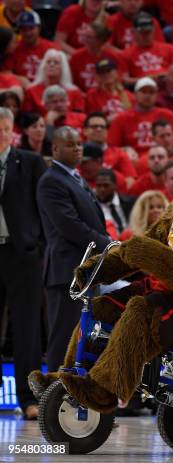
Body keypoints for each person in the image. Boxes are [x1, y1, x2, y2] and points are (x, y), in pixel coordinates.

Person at [36, 126, 110, 373]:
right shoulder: (51, 181)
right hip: (67, 269)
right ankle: (54, 389)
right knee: (65, 335)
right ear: (55, 148)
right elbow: (69, 226)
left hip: (87, 269)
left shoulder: (73, 177)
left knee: (83, 335)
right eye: (70, 144)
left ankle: (77, 390)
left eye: (79, 143)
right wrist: (105, 242)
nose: (78, 148)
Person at [0, 107, 47, 420]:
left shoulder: (29, 162)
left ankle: (29, 398)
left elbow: (44, 208)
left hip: (21, 255)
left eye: (3, 128)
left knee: (26, 328)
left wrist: (37, 246)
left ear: (11, 131)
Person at [107, 77, 173, 156]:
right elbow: (111, 148)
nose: (147, 95)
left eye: (151, 92)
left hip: (162, 159)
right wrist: (125, 150)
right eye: (143, 92)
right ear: (135, 94)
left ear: (156, 95)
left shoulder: (167, 115)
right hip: (133, 161)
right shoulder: (121, 118)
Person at [122, 12, 173, 85]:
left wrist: (166, 76)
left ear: (154, 30)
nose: (146, 36)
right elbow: (124, 80)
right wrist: (145, 79)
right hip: (143, 89)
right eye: (142, 33)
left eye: (149, 32)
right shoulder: (126, 54)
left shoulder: (169, 48)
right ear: (133, 32)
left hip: (168, 86)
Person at [22, 49, 85, 115]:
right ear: (43, 66)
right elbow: (27, 119)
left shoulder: (74, 92)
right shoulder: (31, 91)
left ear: (63, 68)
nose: (51, 65)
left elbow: (79, 118)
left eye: (56, 62)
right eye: (48, 62)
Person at [83, 112, 137, 186]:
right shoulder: (77, 152)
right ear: (85, 131)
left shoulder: (119, 153)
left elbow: (130, 180)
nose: (99, 129)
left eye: (102, 127)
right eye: (94, 126)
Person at [69, 24, 126, 92]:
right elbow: (72, 82)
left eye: (89, 37)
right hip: (83, 96)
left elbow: (119, 81)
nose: (85, 39)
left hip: (107, 94)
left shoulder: (113, 56)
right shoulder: (76, 56)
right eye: (85, 35)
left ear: (100, 40)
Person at [6, 11, 58, 84]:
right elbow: (6, 73)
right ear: (19, 31)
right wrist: (22, 80)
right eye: (23, 29)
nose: (28, 33)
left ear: (39, 28)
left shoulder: (51, 47)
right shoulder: (13, 48)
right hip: (22, 88)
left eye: (31, 28)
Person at [95, 168, 135, 236]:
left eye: (106, 185)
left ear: (115, 185)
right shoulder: (94, 208)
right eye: (98, 186)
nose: (102, 189)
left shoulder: (130, 203)